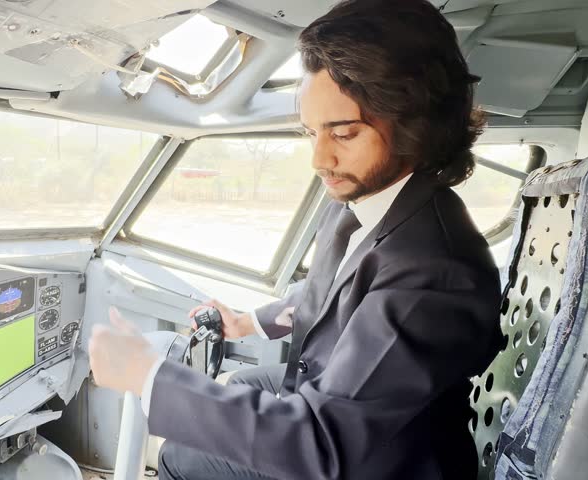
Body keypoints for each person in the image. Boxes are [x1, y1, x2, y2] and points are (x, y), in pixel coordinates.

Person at [87, 0, 504, 478]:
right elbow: (335, 287)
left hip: (387, 460)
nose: (319, 159)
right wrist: (248, 322)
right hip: (347, 399)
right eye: (311, 133)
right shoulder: (369, 199)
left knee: (180, 458)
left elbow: (322, 443)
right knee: (244, 381)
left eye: (344, 134)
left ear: (417, 125)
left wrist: (149, 377)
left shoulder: (436, 271)